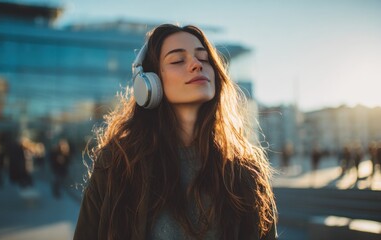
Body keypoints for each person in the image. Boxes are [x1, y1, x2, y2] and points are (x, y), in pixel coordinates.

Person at [74, 24, 277, 240]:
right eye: (177, 60)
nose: (196, 65)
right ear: (149, 82)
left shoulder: (245, 171)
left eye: (204, 58)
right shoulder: (117, 165)